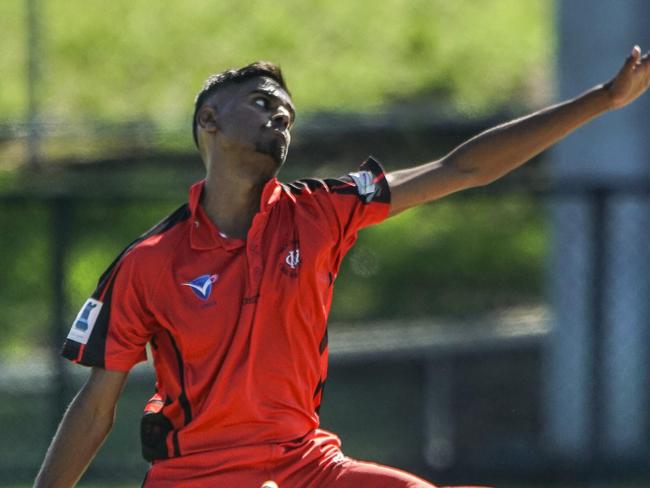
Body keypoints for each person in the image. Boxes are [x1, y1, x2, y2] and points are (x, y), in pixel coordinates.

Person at [35, 46, 650, 488]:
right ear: (210, 123)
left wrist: (604, 99)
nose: (281, 116)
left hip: (307, 466)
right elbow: (95, 409)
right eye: (261, 102)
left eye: (288, 112)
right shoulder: (149, 263)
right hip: (198, 475)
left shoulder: (321, 211)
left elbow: (462, 169)